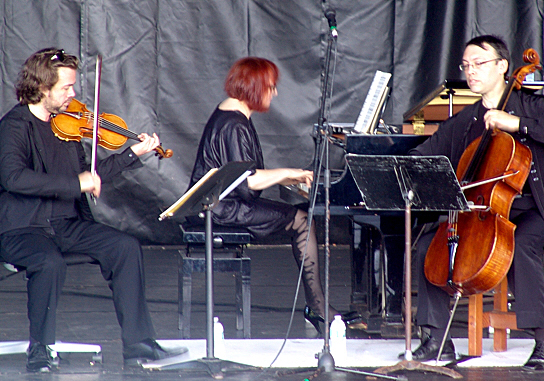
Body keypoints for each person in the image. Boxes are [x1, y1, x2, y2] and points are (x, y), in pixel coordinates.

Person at [0, 48, 182, 372]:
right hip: (23, 227)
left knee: (125, 247)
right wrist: (75, 184)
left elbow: (90, 177)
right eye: (66, 88)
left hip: (66, 224)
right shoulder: (14, 126)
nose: (73, 94)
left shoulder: (66, 127)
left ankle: (139, 345)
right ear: (42, 88)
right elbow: (14, 178)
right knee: (48, 262)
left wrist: (133, 154)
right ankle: (40, 349)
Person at [408, 35, 544, 370]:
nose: (471, 71)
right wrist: (407, 164)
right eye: (466, 66)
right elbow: (426, 153)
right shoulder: (465, 120)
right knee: (428, 246)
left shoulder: (532, 106)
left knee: (522, 244)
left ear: (503, 66)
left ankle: (542, 341)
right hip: (482, 212)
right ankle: (437, 341)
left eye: (479, 63)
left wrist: (517, 125)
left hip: (533, 208)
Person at [188, 56, 345, 334]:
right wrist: (288, 173)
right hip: (221, 208)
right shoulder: (234, 124)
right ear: (254, 87)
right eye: (270, 86)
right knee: (301, 220)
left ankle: (316, 306)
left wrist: (290, 175)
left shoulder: (233, 114)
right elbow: (247, 183)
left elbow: (245, 177)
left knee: (300, 215)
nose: (274, 92)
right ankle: (318, 308)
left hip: (225, 203)